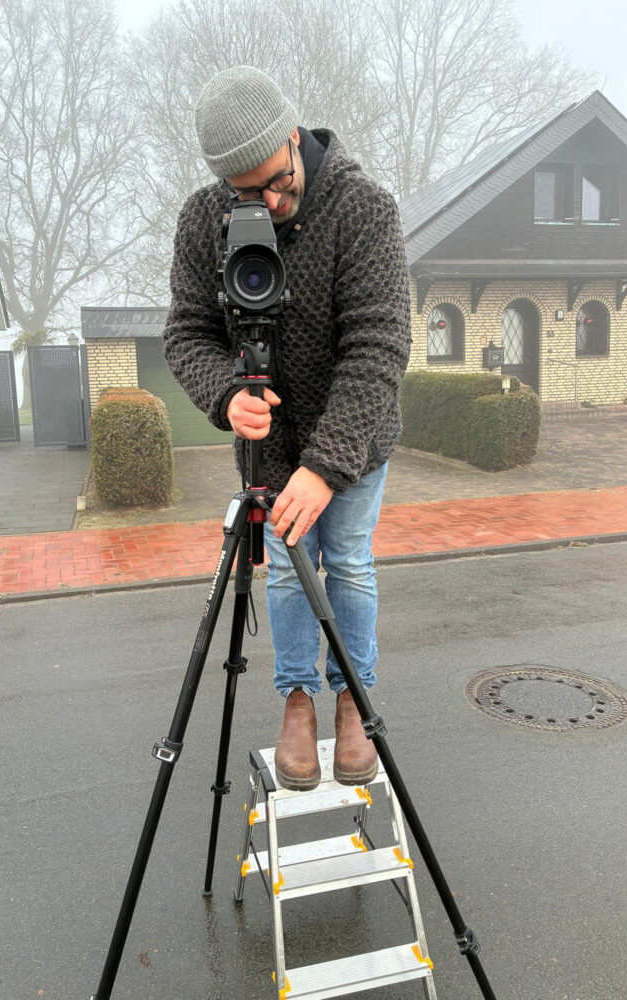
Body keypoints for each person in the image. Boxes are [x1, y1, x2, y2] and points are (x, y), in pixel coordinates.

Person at [163, 66, 412, 791]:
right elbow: (187, 332)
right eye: (247, 194)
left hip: (354, 441)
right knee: (285, 572)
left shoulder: (363, 208)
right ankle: (297, 699)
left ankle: (353, 700)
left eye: (277, 180)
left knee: (350, 563)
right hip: (269, 451)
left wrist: (326, 464)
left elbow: (379, 346)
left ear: (293, 138)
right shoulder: (201, 220)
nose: (270, 203)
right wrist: (224, 395)